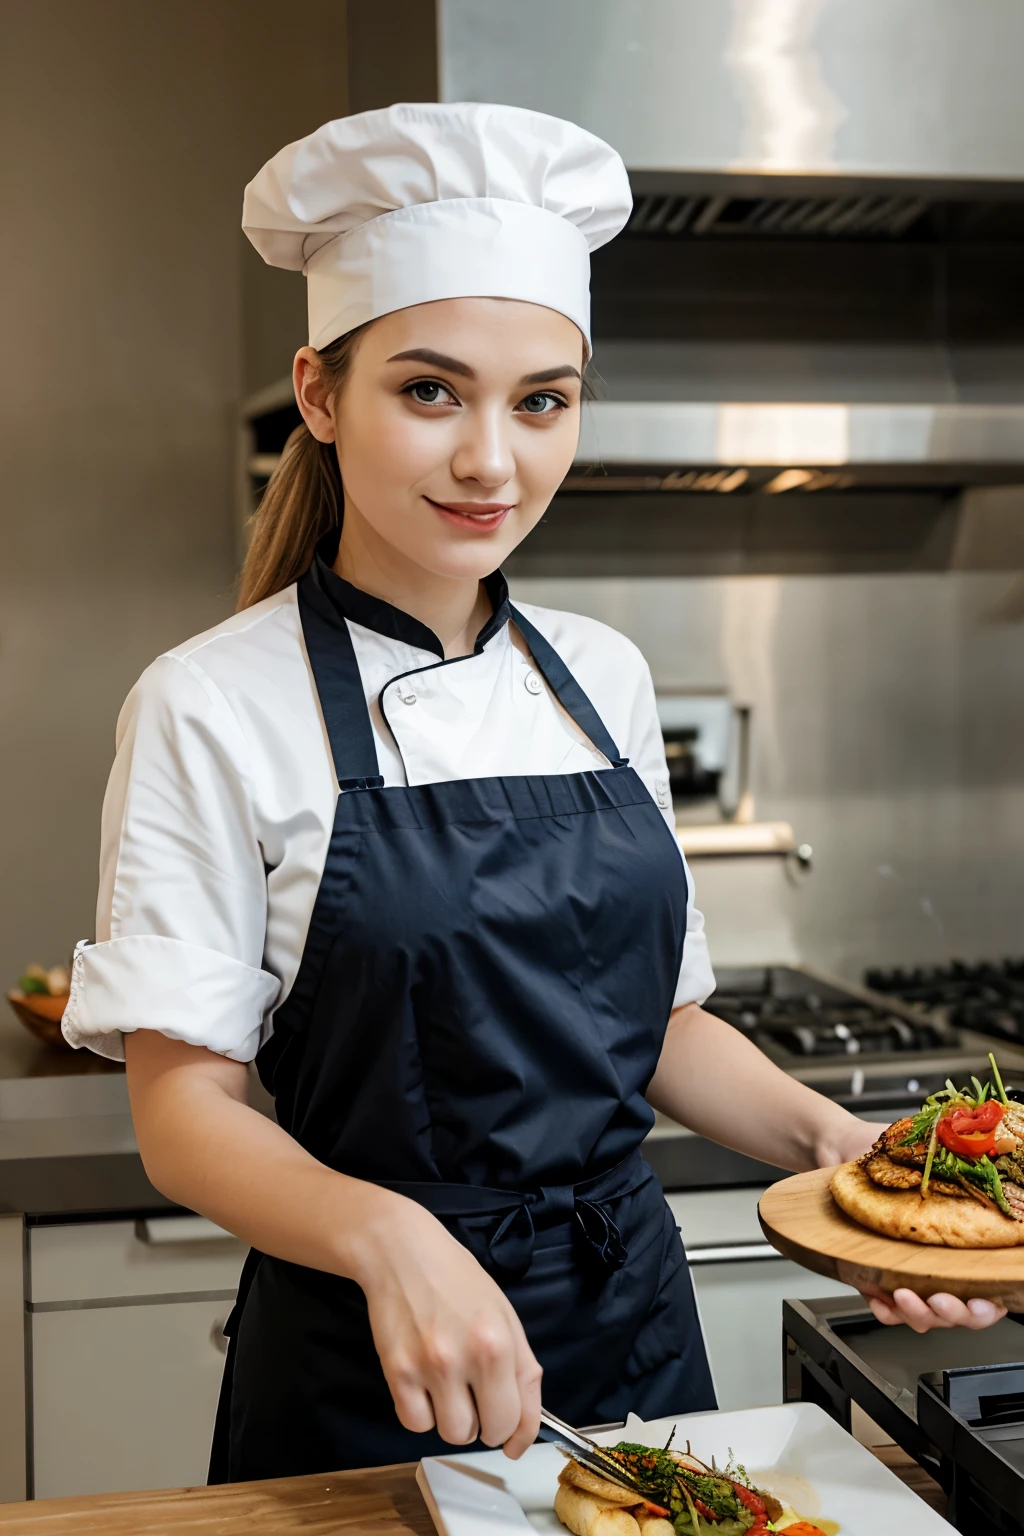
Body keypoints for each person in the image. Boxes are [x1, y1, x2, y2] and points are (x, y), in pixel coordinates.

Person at [63, 103, 1004, 1484]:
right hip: (375, 1358)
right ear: (320, 396)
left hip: (641, 1336)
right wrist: (393, 1240)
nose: (492, 461)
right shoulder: (209, 704)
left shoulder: (602, 677)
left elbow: (658, 1029)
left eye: (542, 401)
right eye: (431, 390)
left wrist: (850, 1157)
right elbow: (183, 1112)